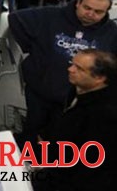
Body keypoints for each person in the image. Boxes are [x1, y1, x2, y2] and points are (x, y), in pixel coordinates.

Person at [8, 0, 117, 151]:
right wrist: (32, 48)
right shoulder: (51, 15)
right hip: (41, 88)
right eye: (87, 8)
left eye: (98, 12)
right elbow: (15, 18)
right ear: (78, 3)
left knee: (59, 136)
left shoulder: (112, 32)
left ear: (106, 12)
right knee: (33, 126)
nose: (91, 14)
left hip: (75, 98)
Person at [37, 49, 117, 191]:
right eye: (72, 64)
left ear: (99, 78)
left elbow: (90, 167)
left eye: (79, 68)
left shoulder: (105, 116)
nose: (70, 69)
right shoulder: (78, 89)